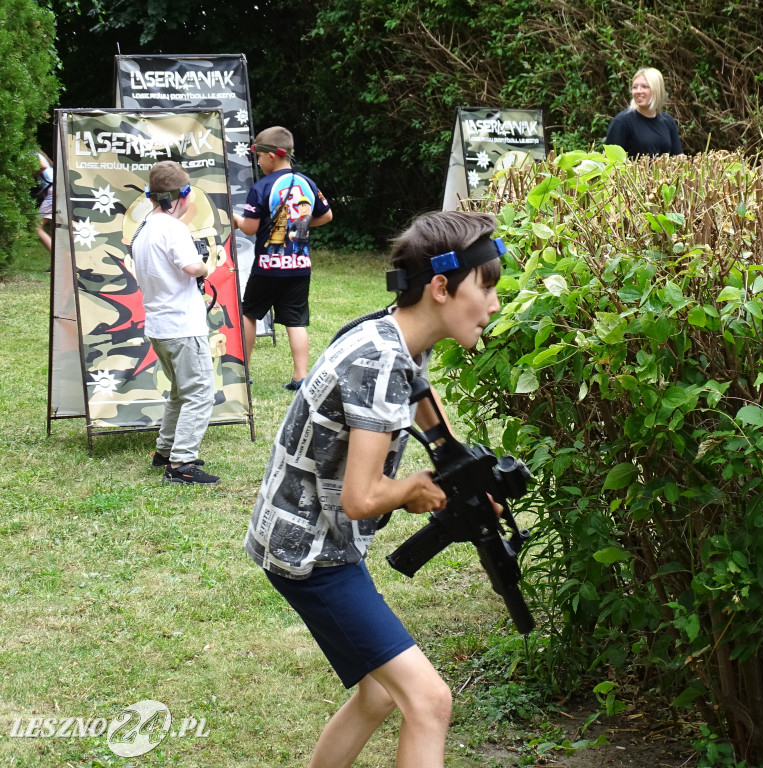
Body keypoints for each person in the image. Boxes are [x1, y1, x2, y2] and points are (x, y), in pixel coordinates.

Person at [244, 210, 504, 768]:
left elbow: (432, 422)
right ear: (440, 288)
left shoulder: (397, 336)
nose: (495, 305)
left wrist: (469, 480)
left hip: (316, 540)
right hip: (311, 553)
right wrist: (413, 487)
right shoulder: (380, 359)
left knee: (381, 692)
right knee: (429, 701)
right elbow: (360, 498)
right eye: (487, 287)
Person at [132, 161, 220, 486]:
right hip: (183, 327)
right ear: (181, 196)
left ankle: (165, 451)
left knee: (180, 392)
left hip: (159, 327)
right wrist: (206, 265)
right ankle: (182, 464)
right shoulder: (173, 228)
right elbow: (191, 267)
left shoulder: (143, 229)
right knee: (199, 393)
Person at [232, 126, 332, 391]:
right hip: (300, 266)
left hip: (268, 267)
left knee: (249, 313)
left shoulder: (261, 186)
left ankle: (243, 373)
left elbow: (250, 228)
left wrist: (236, 220)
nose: (258, 162)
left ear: (272, 156)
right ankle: (301, 377)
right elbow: (326, 215)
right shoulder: (307, 183)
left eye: (259, 157)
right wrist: (301, 224)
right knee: (295, 320)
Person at [604, 67, 686, 158]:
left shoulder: (667, 121)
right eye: (635, 87)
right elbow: (609, 162)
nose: (638, 91)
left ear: (657, 90)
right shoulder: (622, 122)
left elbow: (679, 157)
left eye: (644, 86)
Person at [33, 150, 54, 252]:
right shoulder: (39, 154)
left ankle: (57, 260)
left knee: (36, 227)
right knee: (57, 229)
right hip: (56, 188)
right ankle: (59, 263)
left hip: (52, 191)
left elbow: (43, 166)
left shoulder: (31, 152)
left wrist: (29, 175)